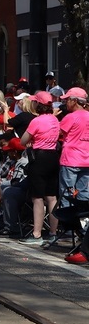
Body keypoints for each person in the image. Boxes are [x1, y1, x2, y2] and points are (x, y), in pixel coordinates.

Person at [19, 91, 60, 246]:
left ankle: (37, 233)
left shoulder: (36, 121)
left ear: (38, 104)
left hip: (39, 158)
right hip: (53, 157)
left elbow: (23, 141)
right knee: (52, 197)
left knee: (37, 197)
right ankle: (53, 232)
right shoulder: (55, 120)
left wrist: (32, 141)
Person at [57, 87, 89, 264]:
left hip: (71, 160)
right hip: (87, 161)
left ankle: (69, 233)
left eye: (68, 99)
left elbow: (59, 134)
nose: (65, 102)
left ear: (75, 101)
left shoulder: (70, 117)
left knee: (67, 196)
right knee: (84, 199)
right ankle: (84, 234)